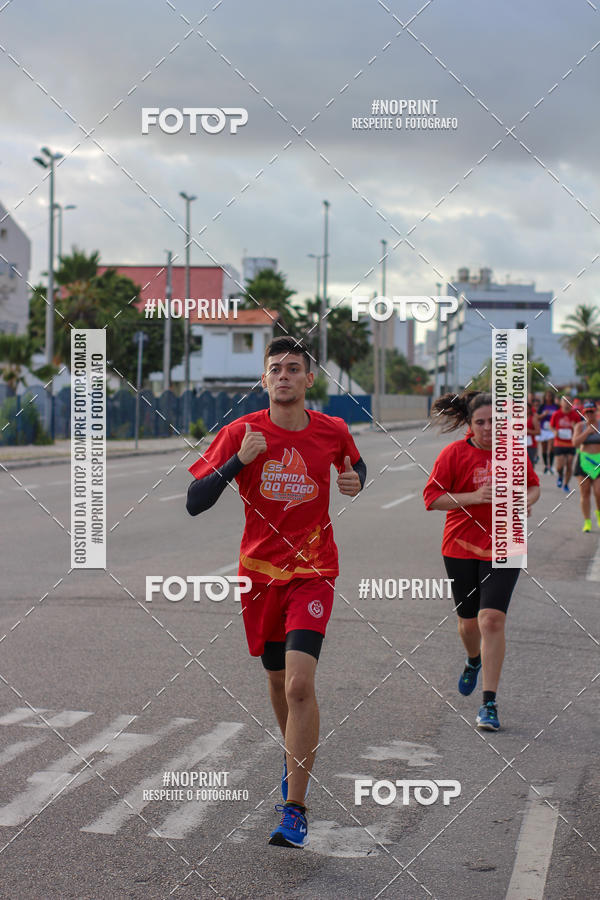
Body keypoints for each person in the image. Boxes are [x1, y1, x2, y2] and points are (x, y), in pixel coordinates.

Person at [185, 336, 366, 848]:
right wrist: (238, 461)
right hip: (259, 576)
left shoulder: (332, 429)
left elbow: (353, 465)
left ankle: (296, 807)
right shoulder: (241, 433)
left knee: (299, 686)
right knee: (276, 678)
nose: (284, 376)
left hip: (313, 570)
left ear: (310, 379)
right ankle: (295, 760)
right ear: (264, 381)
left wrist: (356, 481)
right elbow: (195, 501)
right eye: (275, 369)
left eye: (294, 368)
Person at [423, 391, 540, 731]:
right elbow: (431, 498)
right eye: (481, 422)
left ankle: (489, 702)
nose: (488, 428)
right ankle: (473, 659)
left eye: (494, 421)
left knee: (491, 620)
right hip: (460, 546)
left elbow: (533, 488)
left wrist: (522, 500)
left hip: (506, 544)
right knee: (469, 622)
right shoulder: (454, 454)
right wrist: (473, 497)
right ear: (470, 425)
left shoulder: (514, 452)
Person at [572, 400, 600, 533]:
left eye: (591, 411)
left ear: (596, 412)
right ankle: (587, 521)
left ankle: (598, 515)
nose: (589, 414)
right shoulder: (580, 426)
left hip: (598, 461)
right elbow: (575, 443)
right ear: (583, 413)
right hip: (584, 462)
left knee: (598, 492)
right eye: (587, 412)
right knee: (585, 493)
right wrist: (588, 432)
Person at [550, 396, 580, 492]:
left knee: (569, 464)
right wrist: (554, 432)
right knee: (560, 466)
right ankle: (560, 475)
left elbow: (579, 428)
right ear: (561, 403)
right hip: (559, 443)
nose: (567, 404)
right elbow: (551, 426)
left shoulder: (575, 415)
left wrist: (574, 427)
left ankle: (566, 484)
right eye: (565, 402)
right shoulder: (556, 414)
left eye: (569, 402)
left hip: (571, 444)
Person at [537, 390, 558, 474]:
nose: (549, 397)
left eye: (550, 396)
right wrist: (544, 414)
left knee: (551, 447)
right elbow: (537, 417)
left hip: (552, 429)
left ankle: (551, 465)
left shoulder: (556, 406)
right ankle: (546, 465)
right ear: (545, 397)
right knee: (544, 448)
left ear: (552, 397)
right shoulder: (542, 406)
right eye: (547, 396)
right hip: (543, 429)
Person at [526, 402, 540, 467]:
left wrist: (528, 431)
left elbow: (538, 432)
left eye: (527, 409)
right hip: (519, 445)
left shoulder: (533, 418)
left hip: (530, 446)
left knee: (530, 465)